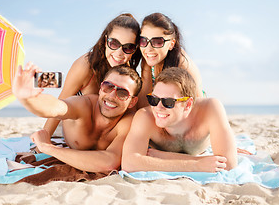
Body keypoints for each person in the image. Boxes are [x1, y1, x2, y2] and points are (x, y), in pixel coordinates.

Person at [12, 63, 142, 172]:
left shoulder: (128, 122)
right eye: (108, 87)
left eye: (122, 93)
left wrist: (48, 148)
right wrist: (29, 99)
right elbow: (56, 108)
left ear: (132, 102)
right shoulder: (83, 105)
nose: (112, 96)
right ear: (100, 88)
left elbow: (110, 162)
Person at [122, 67, 237, 173]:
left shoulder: (210, 109)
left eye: (168, 102)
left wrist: (163, 156)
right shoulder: (145, 117)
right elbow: (129, 163)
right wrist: (196, 164)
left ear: (188, 105)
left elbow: (228, 164)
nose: (158, 108)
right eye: (154, 99)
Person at [43, 13, 141, 137]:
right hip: (79, 135)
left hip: (104, 138)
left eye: (128, 47)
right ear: (106, 41)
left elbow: (130, 114)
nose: (119, 53)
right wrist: (41, 144)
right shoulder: (85, 65)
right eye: (114, 43)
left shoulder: (129, 75)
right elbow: (59, 105)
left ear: (135, 49)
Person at [137, 13, 203, 108]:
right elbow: (143, 101)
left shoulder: (183, 65)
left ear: (171, 44)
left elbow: (198, 106)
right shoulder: (148, 58)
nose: (148, 48)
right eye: (143, 40)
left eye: (157, 42)